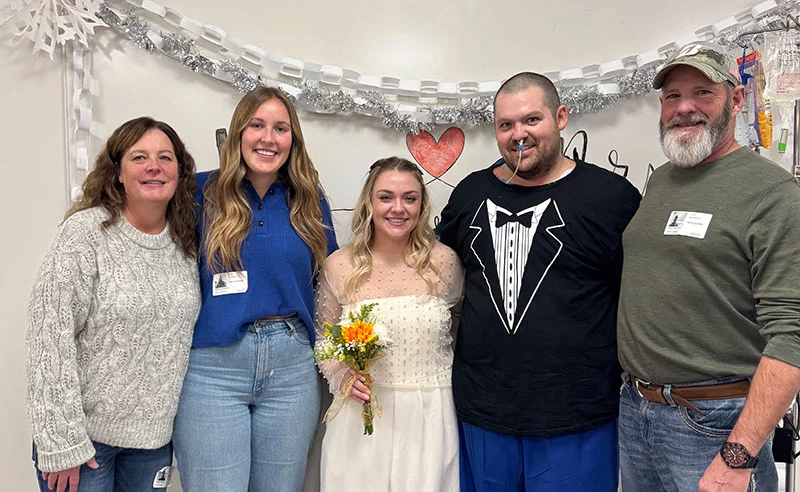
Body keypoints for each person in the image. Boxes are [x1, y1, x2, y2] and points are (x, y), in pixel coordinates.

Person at [436, 72, 641, 491]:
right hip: (482, 413)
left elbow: (642, 296)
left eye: (532, 120)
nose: (519, 135)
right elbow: (438, 280)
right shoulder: (470, 194)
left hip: (577, 418)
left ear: (561, 117)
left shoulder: (611, 198)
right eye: (506, 124)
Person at [617, 41, 800, 492]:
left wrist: (738, 456)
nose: (684, 108)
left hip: (714, 422)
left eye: (702, 93)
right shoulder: (662, 179)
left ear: (736, 100)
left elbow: (791, 336)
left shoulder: (773, 192)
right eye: (672, 97)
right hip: (638, 409)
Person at [173, 86, 338, 492]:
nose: (268, 138)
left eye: (281, 128)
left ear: (293, 140)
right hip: (213, 368)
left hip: (291, 368)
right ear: (237, 133)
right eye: (257, 125)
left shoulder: (310, 201)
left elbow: (333, 281)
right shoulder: (198, 193)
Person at [26, 116, 201, 492]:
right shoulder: (85, 233)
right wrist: (61, 441)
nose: (154, 166)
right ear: (118, 173)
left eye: (165, 158)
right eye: (139, 157)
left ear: (179, 172)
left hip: (152, 445)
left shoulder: (186, 242)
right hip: (84, 444)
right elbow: (48, 336)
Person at [315, 156, 464, 491]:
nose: (398, 208)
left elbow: (459, 327)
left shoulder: (445, 262)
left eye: (409, 198)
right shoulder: (340, 265)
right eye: (386, 197)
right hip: (362, 417)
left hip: (430, 415)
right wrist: (342, 376)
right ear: (369, 201)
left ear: (422, 205)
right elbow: (325, 340)